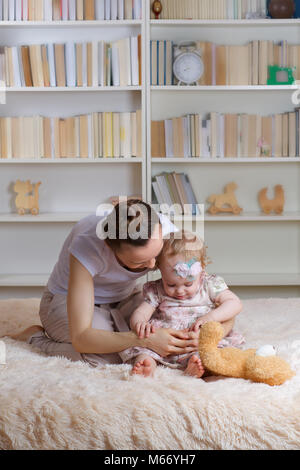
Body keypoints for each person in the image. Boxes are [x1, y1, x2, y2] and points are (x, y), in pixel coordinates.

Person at [10, 200, 199, 367]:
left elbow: (208, 289)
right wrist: (144, 341)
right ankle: (34, 338)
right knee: (111, 357)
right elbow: (82, 337)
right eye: (139, 263)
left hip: (124, 297)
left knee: (176, 326)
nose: (152, 265)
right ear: (110, 247)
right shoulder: (88, 244)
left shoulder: (164, 230)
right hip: (66, 300)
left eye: (156, 255)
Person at [120, 230, 244, 378]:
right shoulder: (157, 290)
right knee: (144, 349)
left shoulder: (210, 284)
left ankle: (196, 366)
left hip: (197, 339)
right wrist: (139, 323)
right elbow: (141, 312)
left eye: (188, 284)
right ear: (160, 270)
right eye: (171, 284)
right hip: (165, 342)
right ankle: (146, 365)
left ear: (202, 268)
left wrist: (211, 317)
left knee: (212, 353)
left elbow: (234, 303)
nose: (180, 291)